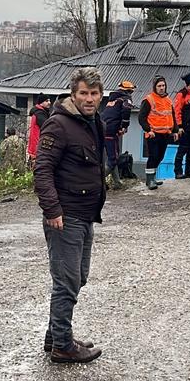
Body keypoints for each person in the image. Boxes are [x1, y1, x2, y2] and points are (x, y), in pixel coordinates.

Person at [34, 66, 105, 364]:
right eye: (84, 93)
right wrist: (52, 209)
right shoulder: (59, 125)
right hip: (65, 215)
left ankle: (56, 335)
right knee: (67, 281)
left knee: (78, 278)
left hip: (85, 213)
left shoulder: (92, 122)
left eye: (94, 93)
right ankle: (63, 346)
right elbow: (42, 169)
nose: (89, 99)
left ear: (101, 95)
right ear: (73, 94)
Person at [137, 75, 178, 190]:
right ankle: (149, 180)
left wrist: (175, 131)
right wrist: (148, 130)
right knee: (153, 156)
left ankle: (153, 177)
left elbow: (172, 117)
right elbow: (141, 118)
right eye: (159, 86)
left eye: (163, 85)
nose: (162, 88)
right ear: (155, 87)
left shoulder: (168, 100)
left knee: (160, 156)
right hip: (153, 134)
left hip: (165, 133)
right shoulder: (149, 100)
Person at [100, 81, 134, 186]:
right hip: (111, 131)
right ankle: (97, 182)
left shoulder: (112, 99)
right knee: (113, 159)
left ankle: (117, 183)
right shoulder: (125, 99)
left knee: (112, 157)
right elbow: (126, 111)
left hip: (102, 129)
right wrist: (124, 126)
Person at [173, 73, 190, 180]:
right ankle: (178, 172)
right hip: (185, 128)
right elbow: (177, 111)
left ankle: (189, 171)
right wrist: (179, 126)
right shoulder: (182, 94)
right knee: (182, 150)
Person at [26, 94, 52, 163]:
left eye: (49, 100)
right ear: (41, 102)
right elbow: (48, 127)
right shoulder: (40, 114)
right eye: (46, 101)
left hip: (35, 146)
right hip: (38, 145)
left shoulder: (39, 112)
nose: (49, 103)